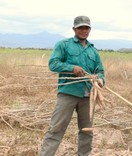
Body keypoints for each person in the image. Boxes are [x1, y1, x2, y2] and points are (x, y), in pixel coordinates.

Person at [40, 15, 105, 156]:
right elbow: (53, 64)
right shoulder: (63, 44)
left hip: (88, 97)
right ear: (74, 28)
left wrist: (100, 80)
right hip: (68, 93)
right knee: (56, 128)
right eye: (80, 27)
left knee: (86, 131)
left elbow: (100, 72)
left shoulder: (93, 51)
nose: (84, 30)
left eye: (86, 27)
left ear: (90, 29)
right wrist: (71, 68)